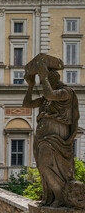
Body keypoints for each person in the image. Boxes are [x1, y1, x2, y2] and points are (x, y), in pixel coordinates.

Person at [23, 64, 79, 207]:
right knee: (42, 166)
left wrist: (42, 74)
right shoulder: (46, 100)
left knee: (46, 163)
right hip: (42, 136)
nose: (43, 86)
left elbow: (50, 94)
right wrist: (31, 85)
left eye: (45, 82)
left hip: (56, 137)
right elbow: (27, 103)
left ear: (52, 80)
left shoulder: (66, 93)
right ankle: (51, 196)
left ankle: (60, 196)